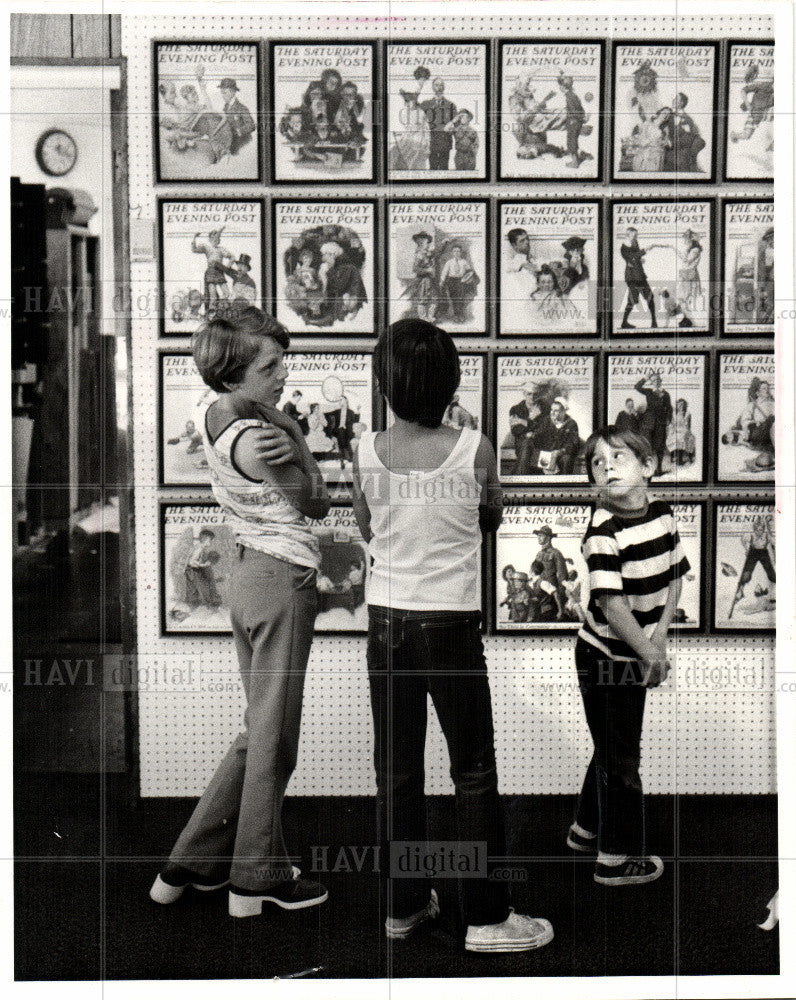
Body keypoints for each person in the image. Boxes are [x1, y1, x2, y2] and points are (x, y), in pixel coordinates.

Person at [352, 318, 554, 953]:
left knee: (398, 773)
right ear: (452, 382)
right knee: (471, 771)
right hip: (451, 626)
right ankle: (488, 918)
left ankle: (404, 906)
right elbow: (490, 517)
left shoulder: (362, 449)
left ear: (383, 383)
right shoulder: (477, 447)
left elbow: (365, 527)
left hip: (384, 621)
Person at [150, 306, 331, 917]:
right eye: (270, 365)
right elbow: (317, 504)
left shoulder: (217, 412)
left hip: (251, 574)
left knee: (260, 730)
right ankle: (255, 879)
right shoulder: (260, 437)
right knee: (275, 738)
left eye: (283, 360)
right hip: (281, 579)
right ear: (233, 372)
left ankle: (189, 864)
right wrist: (301, 442)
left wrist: (281, 417)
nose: (284, 373)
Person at [567, 425, 689, 885]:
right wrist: (648, 654)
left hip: (637, 652)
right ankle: (616, 859)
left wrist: (656, 642)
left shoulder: (662, 512)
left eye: (618, 457)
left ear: (648, 467)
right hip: (603, 659)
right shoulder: (602, 529)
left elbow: (676, 573)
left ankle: (586, 829)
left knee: (612, 745)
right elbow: (611, 604)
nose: (607, 467)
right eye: (597, 463)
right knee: (622, 758)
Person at [635, 372, 673, 476]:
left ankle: (659, 468)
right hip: (648, 423)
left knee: (659, 445)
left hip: (660, 423)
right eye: (653, 380)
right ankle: (647, 468)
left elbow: (669, 408)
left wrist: (669, 420)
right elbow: (637, 387)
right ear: (651, 382)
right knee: (647, 445)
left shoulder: (665, 394)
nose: (655, 382)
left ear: (660, 381)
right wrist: (645, 378)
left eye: (657, 380)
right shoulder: (648, 392)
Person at [620, 227, 657, 329]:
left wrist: (640, 260)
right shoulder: (624, 247)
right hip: (632, 277)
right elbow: (632, 257)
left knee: (650, 297)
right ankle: (624, 323)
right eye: (633, 235)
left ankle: (654, 322)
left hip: (640, 276)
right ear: (628, 235)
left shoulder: (634, 243)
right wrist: (645, 250)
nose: (636, 237)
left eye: (636, 235)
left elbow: (636, 258)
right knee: (632, 300)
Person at [420, 76, 457, 169]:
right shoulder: (425, 104)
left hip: (445, 141)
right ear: (432, 87)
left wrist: (452, 126)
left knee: (444, 168)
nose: (439, 87)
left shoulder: (451, 105)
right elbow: (418, 121)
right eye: (436, 85)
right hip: (431, 142)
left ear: (444, 87)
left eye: (441, 85)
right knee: (432, 168)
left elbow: (457, 122)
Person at [439, 243, 479, 322]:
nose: (456, 253)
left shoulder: (464, 262)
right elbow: (444, 273)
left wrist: (468, 277)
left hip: (461, 282)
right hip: (451, 281)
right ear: (452, 253)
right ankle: (456, 316)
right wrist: (442, 281)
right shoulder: (449, 262)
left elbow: (470, 271)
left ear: (460, 252)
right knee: (454, 298)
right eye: (455, 251)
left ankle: (461, 316)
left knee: (461, 298)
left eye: (458, 251)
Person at [666, 398, 696, 468]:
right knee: (672, 437)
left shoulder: (687, 414)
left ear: (684, 405)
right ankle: (674, 456)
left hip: (684, 430)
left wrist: (686, 430)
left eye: (682, 405)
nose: (680, 406)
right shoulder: (674, 414)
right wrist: (671, 428)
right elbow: (672, 423)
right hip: (675, 429)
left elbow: (688, 425)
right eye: (678, 404)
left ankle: (680, 458)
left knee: (683, 437)